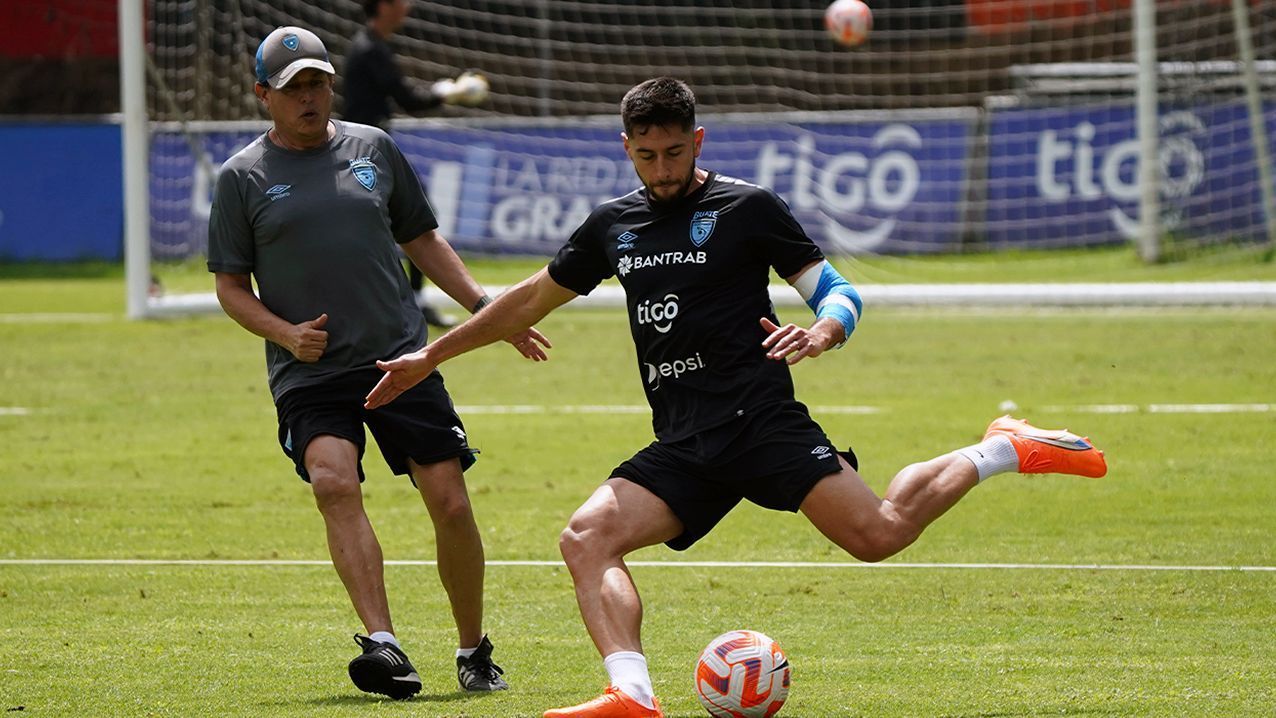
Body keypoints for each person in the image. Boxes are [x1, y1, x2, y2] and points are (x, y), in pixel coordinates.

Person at [364, 77, 1108, 717]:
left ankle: (1002, 446)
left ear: (698, 140)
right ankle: (633, 695)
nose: (662, 168)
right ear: (627, 147)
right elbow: (526, 301)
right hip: (685, 439)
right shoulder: (613, 226)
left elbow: (838, 291)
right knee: (586, 538)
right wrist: (430, 356)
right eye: (648, 154)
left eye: (675, 152)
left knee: (879, 536)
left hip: (759, 422)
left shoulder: (748, 207)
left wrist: (823, 332)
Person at [208, 25, 548, 700]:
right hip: (311, 372)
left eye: (318, 82)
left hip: (402, 358)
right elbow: (228, 287)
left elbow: (422, 239)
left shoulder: (374, 148)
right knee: (333, 483)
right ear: (263, 98)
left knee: (450, 504)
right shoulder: (241, 177)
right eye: (293, 88)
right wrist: (284, 332)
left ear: (332, 84)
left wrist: (490, 309)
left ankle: (473, 649)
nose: (309, 97)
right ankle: (384, 644)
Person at [344, 0, 491, 329]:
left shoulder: (370, 46)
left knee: (408, 218)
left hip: (366, 151)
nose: (407, 6)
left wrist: (444, 93)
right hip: (363, 154)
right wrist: (449, 94)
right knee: (415, 218)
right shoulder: (370, 51)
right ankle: (406, 304)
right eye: (399, 1)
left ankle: (407, 303)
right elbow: (409, 100)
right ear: (383, 6)